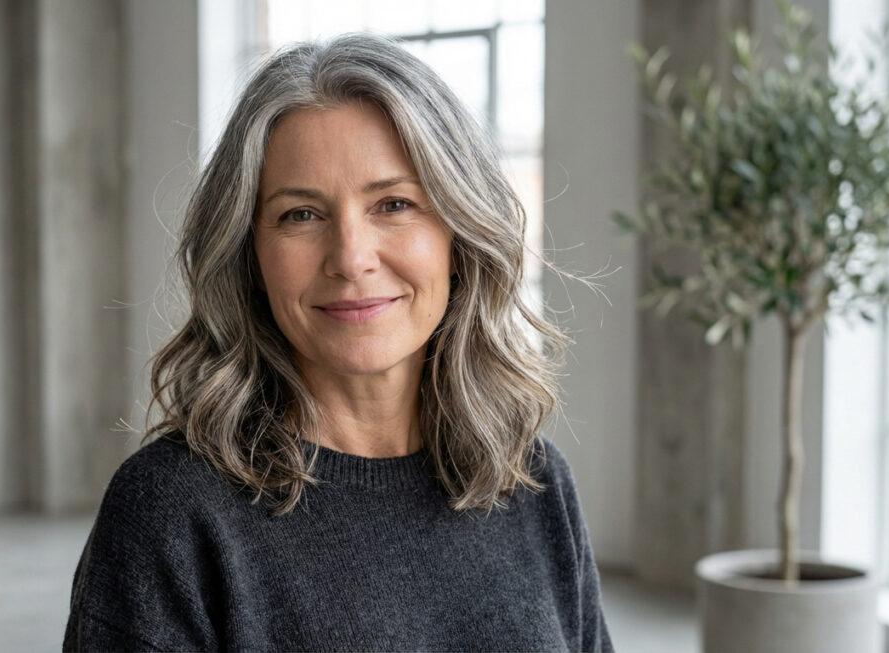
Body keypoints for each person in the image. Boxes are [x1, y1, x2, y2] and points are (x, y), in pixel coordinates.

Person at [63, 31, 615, 652]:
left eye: (394, 204)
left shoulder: (532, 477)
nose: (351, 259)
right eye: (301, 214)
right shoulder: (171, 512)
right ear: (251, 256)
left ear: (458, 238)